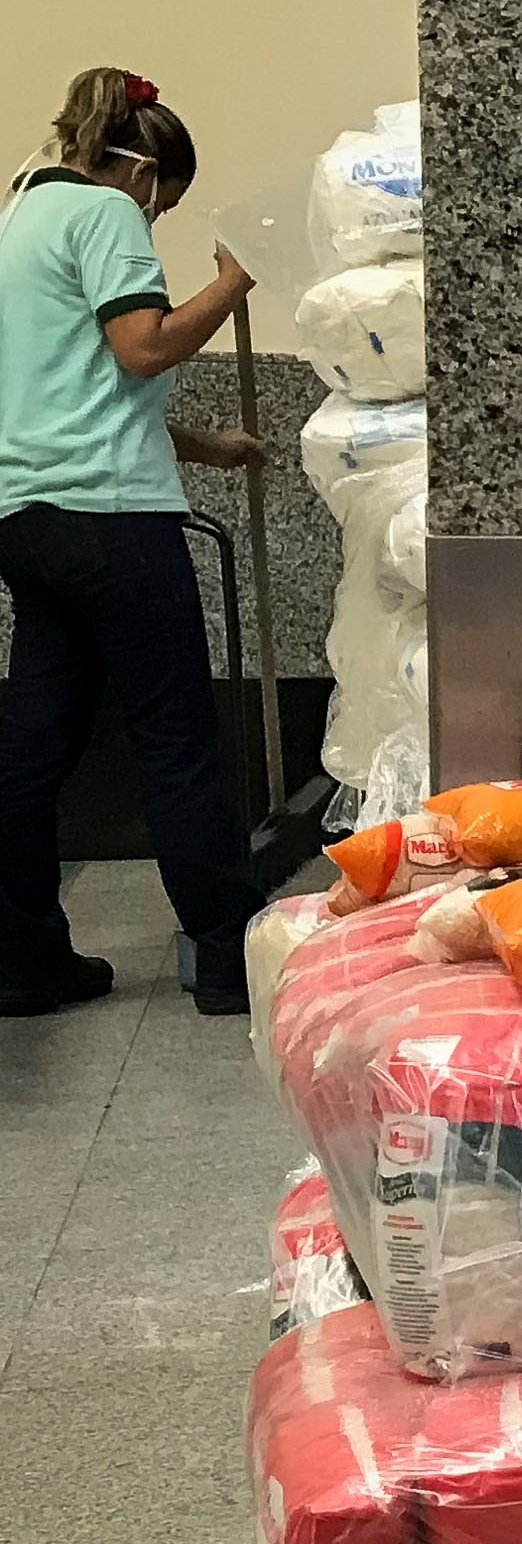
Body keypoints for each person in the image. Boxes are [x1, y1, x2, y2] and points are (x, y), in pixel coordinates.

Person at [0, 67, 272, 1015]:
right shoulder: (106, 213)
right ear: (144, 172)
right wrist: (236, 280)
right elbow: (143, 348)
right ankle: (229, 955)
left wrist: (206, 446)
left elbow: (73, 391)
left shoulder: (17, 217)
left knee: (30, 745)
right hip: (116, 526)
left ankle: (23, 955)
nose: (154, 221)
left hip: (27, 520)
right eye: (165, 204)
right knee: (176, 738)